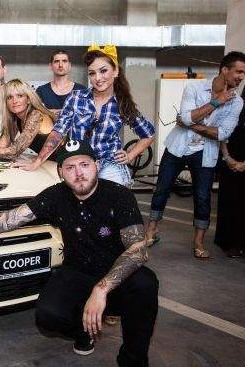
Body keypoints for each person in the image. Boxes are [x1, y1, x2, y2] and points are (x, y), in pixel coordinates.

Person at [0, 140, 158, 366]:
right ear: (60, 173)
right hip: (77, 271)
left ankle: (133, 360)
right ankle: (83, 330)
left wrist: (101, 289)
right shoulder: (56, 195)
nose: (79, 173)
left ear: (96, 165)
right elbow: (11, 218)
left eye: (84, 164)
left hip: (115, 273)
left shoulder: (119, 195)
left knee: (145, 284)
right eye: (70, 167)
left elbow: (138, 250)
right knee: (48, 317)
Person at [145, 51, 245, 257]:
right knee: (162, 189)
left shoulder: (237, 103)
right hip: (178, 147)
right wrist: (216, 102)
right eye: (239, 71)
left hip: (205, 153)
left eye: (244, 73)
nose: (241, 77)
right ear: (224, 70)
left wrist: (189, 122)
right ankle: (151, 230)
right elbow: (186, 118)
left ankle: (198, 242)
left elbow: (223, 133)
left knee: (202, 197)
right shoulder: (194, 87)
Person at [19, 45, 155, 188]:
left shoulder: (122, 103)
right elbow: (58, 132)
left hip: (110, 163)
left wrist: (130, 155)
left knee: (111, 198)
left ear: (115, 71)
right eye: (92, 73)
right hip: (79, 162)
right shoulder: (76, 97)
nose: (97, 78)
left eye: (103, 71)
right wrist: (37, 161)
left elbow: (149, 134)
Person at [215, 102, 245, 257]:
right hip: (230, 161)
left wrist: (244, 164)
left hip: (241, 163)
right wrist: (227, 158)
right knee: (230, 201)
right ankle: (230, 243)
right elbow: (223, 133)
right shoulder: (236, 105)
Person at [36, 50, 87, 116]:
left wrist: (50, 112)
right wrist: (70, 112)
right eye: (56, 61)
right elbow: (36, 115)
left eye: (64, 61)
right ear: (51, 66)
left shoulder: (81, 90)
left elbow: (85, 115)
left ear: (69, 65)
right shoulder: (41, 91)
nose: (60, 65)